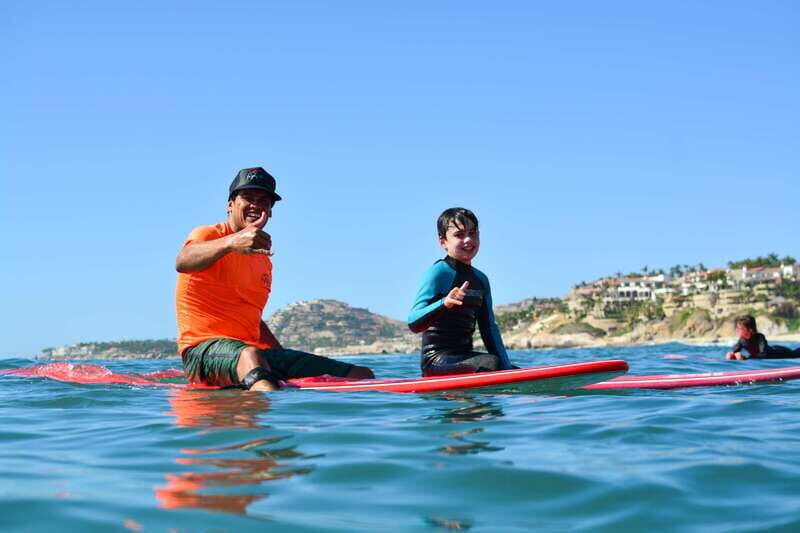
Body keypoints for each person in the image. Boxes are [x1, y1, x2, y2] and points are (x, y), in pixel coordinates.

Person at [175, 167, 374, 391]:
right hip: (201, 351)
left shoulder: (263, 260)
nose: (256, 204)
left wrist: (281, 355)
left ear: (270, 211)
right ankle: (272, 422)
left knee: (360, 374)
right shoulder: (209, 235)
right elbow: (183, 261)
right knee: (250, 357)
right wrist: (233, 242)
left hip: (251, 351)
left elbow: (251, 317)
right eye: (247, 198)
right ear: (230, 205)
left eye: (264, 201)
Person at [408, 207, 514, 376]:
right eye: (459, 235)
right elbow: (413, 323)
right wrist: (445, 303)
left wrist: (508, 369)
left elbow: (489, 329)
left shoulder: (481, 279)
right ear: (443, 242)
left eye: (473, 233)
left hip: (464, 358)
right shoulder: (438, 273)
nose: (468, 240)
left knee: (499, 363)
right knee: (491, 362)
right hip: (436, 361)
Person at [726, 314, 800, 360]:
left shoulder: (759, 337)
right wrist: (731, 355)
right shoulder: (742, 340)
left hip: (779, 352)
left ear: (750, 329)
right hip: (772, 351)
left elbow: (763, 354)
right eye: (737, 328)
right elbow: (735, 350)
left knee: (796, 354)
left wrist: (746, 358)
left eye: (741, 329)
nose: (738, 331)